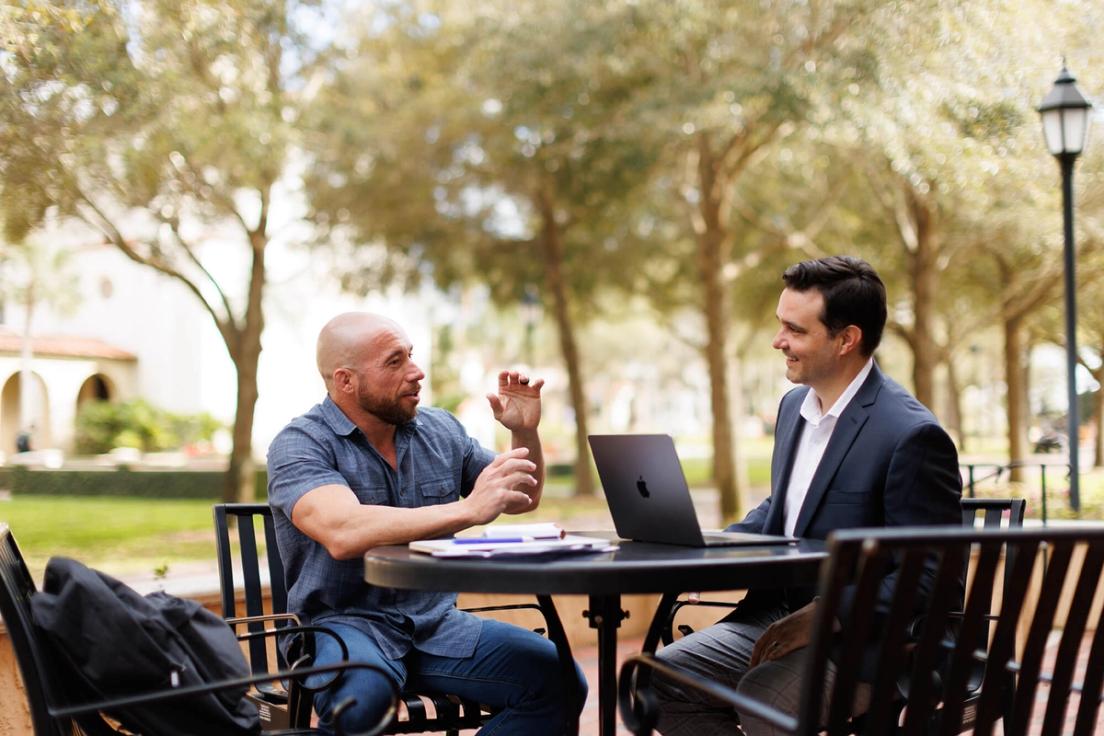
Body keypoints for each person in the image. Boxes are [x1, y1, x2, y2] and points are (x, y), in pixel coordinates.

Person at [652, 256, 962, 735]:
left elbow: (932, 579)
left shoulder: (911, 435)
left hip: (874, 643)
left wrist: (826, 616)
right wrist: (708, 549)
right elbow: (783, 511)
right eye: (781, 326)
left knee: (764, 699)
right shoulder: (794, 406)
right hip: (776, 615)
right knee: (659, 679)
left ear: (846, 340)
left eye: (795, 331)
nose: (779, 342)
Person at [267, 312, 586, 735]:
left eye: (411, 356)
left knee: (560, 681)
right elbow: (343, 532)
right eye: (394, 362)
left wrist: (525, 435)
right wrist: (469, 509)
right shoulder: (300, 443)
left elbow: (523, 499)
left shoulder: (440, 430)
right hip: (341, 626)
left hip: (436, 625)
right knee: (363, 702)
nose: (416, 373)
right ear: (345, 380)